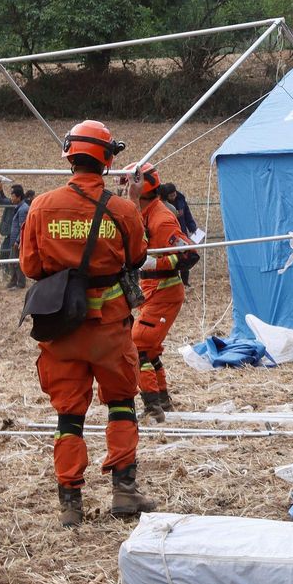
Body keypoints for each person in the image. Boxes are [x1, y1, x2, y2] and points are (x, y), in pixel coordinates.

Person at [18, 120, 151, 526]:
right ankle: (124, 491)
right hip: (110, 328)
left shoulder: (41, 206)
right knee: (121, 404)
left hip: (61, 329)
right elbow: (137, 256)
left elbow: (30, 265)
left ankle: (70, 503)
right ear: (107, 160)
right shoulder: (123, 209)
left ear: (70, 156)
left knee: (68, 416)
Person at [122, 163, 196, 422]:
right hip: (151, 292)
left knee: (137, 346)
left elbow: (189, 254)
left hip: (165, 292)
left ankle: (153, 407)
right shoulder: (144, 213)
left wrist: (155, 262)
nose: (125, 193)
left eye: (129, 188)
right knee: (149, 349)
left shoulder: (161, 218)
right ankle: (163, 399)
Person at [0, 183, 26, 289]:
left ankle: (20, 283)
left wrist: (18, 241)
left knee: (17, 262)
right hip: (13, 239)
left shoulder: (22, 209)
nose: (11, 198)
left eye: (13, 195)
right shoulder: (18, 206)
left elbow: (23, 228)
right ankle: (13, 281)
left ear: (18, 197)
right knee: (13, 261)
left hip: (16, 240)